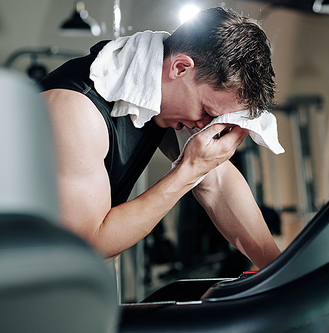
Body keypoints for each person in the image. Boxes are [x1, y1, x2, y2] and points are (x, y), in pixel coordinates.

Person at [38, 6, 281, 269]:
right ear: (180, 68)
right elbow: (86, 246)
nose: (204, 125)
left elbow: (217, 182)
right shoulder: (75, 110)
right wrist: (189, 170)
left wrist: (279, 271)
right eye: (207, 111)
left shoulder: (155, 92)